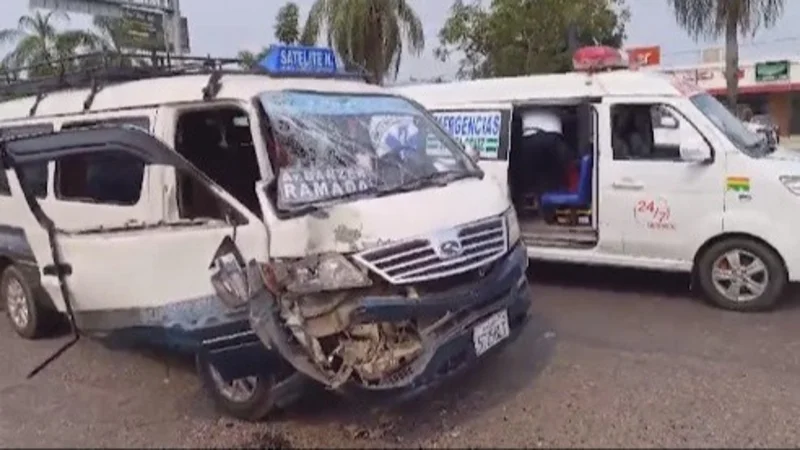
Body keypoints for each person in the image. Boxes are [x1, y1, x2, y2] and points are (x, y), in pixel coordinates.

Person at [511, 109, 571, 210]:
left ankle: (529, 200)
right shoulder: (557, 106)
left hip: (529, 137)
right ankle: (554, 203)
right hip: (552, 137)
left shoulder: (523, 106)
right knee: (555, 171)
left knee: (531, 172)